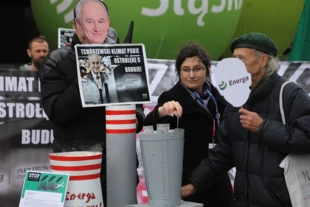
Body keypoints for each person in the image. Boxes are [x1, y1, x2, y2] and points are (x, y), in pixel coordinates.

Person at [181, 32, 310, 206]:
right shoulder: (235, 100)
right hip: (243, 200)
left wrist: (263, 127)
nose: (234, 64)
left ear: (263, 60)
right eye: (233, 58)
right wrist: (194, 184)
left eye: (241, 59)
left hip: (282, 201)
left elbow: (307, 139)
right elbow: (224, 152)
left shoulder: (289, 93)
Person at [40, 0, 145, 205]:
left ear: (108, 23)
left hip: (119, 163)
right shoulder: (56, 60)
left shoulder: (119, 57)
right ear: (77, 25)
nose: (97, 28)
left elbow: (136, 104)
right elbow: (58, 112)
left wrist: (137, 118)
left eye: (101, 21)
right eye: (89, 21)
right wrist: (88, 74)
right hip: (78, 167)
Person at [144, 42, 234, 207]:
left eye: (197, 68)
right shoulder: (170, 97)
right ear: (179, 72)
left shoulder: (219, 98)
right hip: (187, 182)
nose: (191, 74)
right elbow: (150, 125)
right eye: (186, 69)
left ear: (207, 69)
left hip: (217, 179)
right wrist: (161, 112)